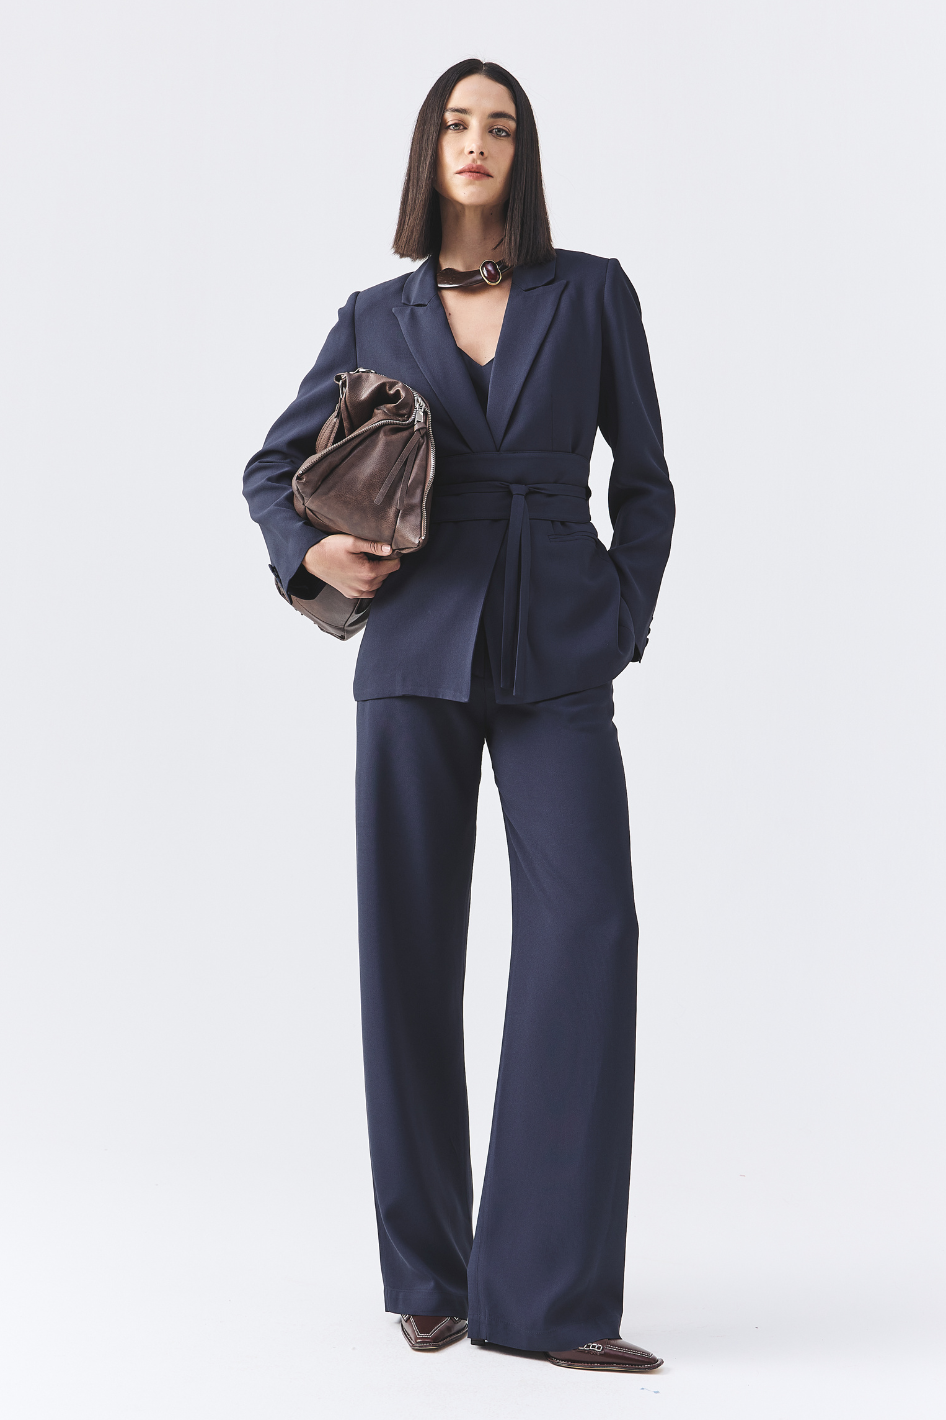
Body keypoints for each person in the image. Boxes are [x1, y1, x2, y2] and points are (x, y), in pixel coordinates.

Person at [243, 58, 675, 1373]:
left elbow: (645, 480)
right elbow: (271, 470)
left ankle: (549, 1298)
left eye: (499, 125)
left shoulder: (590, 293)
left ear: (521, 154)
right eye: (455, 123)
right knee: (408, 952)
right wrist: (312, 555)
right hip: (415, 646)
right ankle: (429, 1276)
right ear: (428, 152)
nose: (475, 142)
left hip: (559, 647)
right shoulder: (373, 314)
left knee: (589, 931)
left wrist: (622, 617)